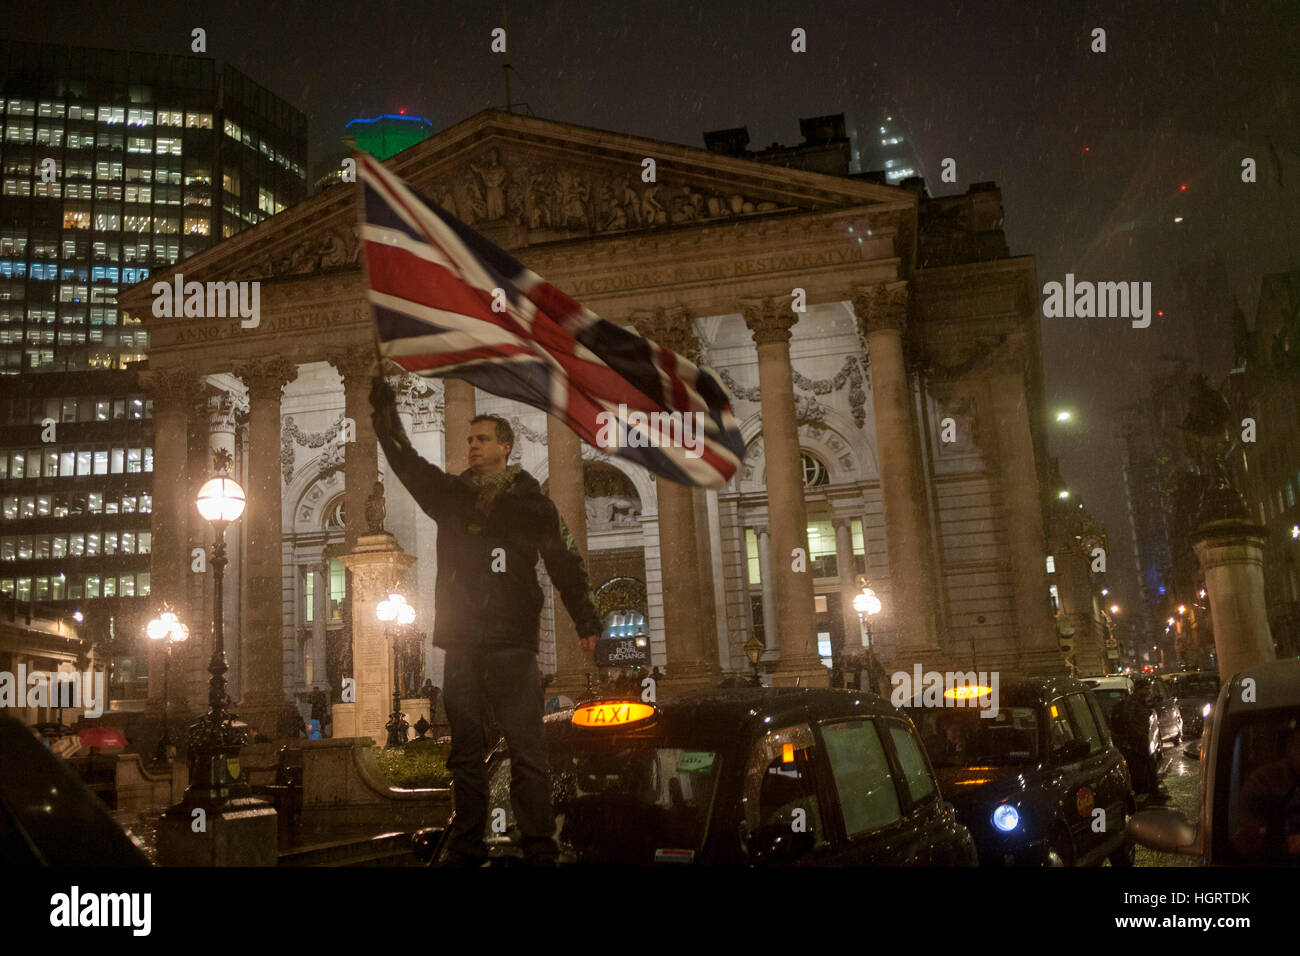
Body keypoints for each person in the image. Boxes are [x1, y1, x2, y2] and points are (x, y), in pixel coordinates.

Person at [371, 375, 601, 866]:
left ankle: (540, 844)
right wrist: (383, 408)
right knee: (465, 750)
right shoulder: (449, 496)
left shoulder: (532, 504)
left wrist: (585, 617)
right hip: (462, 641)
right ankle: (467, 842)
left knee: (527, 749)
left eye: (481, 439)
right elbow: (406, 461)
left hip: (512, 640)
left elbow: (565, 560)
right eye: (469, 440)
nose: (471, 446)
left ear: (505, 447)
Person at [1114, 678, 1168, 801]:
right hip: (1137, 740)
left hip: (1141, 738)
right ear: (1140, 689)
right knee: (1148, 764)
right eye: (1146, 689)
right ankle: (1152, 792)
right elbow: (1129, 718)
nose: (1148, 691)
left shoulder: (1139, 701)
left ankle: (1150, 791)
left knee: (1148, 765)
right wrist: (1138, 734)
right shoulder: (1133, 701)